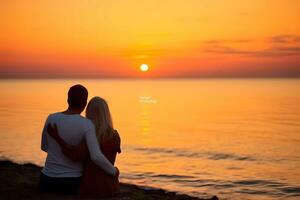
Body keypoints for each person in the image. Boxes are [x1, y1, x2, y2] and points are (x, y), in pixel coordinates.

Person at [39, 85, 118, 194]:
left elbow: (44, 147)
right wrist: (114, 171)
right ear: (85, 104)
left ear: (67, 100)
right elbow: (95, 156)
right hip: (71, 182)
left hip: (46, 180)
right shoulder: (86, 125)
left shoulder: (51, 118)